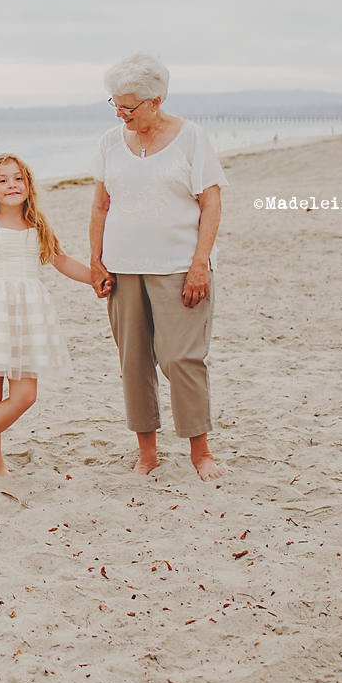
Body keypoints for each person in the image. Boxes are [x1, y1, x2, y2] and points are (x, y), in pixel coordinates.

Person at [89, 51, 228, 480]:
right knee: (133, 361)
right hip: (122, 267)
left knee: (181, 358)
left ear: (156, 100)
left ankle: (199, 451)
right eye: (114, 103)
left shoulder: (191, 138)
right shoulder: (111, 142)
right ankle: (146, 451)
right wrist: (95, 261)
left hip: (178, 266)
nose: (120, 113)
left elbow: (211, 202)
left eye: (128, 105)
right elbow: (100, 205)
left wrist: (199, 264)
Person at [0, 153, 94, 480]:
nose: (12, 185)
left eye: (18, 178)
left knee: (25, 395)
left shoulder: (38, 225)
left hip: (28, 314)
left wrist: (96, 277)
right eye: (3, 180)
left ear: (28, 184)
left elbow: (62, 260)